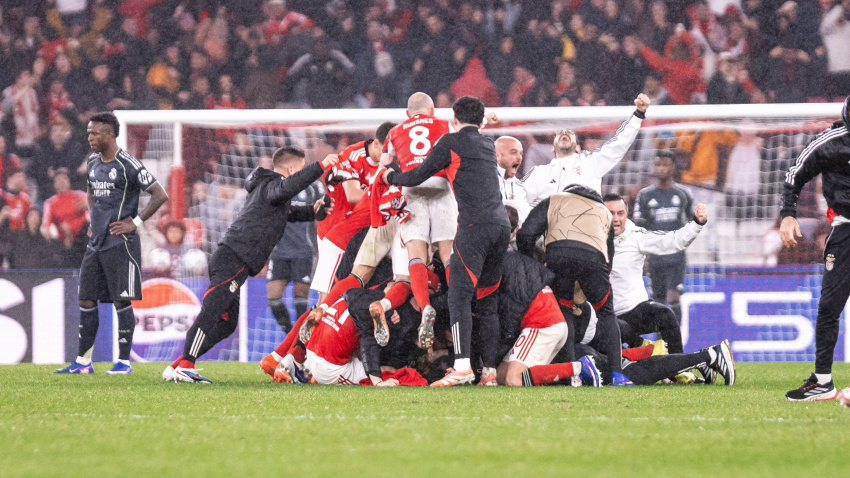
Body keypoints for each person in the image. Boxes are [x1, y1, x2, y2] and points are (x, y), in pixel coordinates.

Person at [165, 147, 338, 384]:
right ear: (290, 170)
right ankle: (185, 365)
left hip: (237, 259)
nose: (300, 175)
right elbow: (287, 189)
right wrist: (318, 166)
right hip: (234, 257)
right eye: (299, 168)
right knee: (212, 313)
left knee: (226, 324)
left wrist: (313, 210)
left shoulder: (269, 189)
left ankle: (178, 364)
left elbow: (288, 212)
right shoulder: (273, 184)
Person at [382, 96, 512, 387]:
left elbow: (417, 175)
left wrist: (392, 177)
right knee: (488, 301)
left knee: (458, 297)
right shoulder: (487, 145)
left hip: (474, 226)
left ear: (453, 120)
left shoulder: (450, 142)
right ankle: (489, 372)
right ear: (480, 121)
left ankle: (463, 366)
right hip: (501, 225)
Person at [55, 112, 169, 376]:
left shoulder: (128, 163)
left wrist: (136, 222)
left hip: (122, 242)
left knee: (122, 300)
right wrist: (92, 219)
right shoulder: (93, 161)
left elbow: (159, 194)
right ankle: (83, 362)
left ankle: (124, 362)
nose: (90, 138)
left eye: (94, 133)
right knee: (85, 298)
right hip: (97, 242)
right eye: (88, 133)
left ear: (109, 134)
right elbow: (91, 191)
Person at [517, 184, 630, 385]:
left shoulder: (555, 199)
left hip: (558, 255)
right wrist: (595, 285)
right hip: (594, 259)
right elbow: (609, 258)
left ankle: (570, 373)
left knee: (565, 310)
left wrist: (532, 267)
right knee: (606, 314)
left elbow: (525, 234)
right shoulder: (604, 211)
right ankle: (617, 375)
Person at [780, 96, 850, 401]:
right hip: (845, 229)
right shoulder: (831, 142)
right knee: (829, 306)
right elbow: (795, 173)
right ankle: (823, 381)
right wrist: (787, 214)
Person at [379, 92, 456, 349]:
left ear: (407, 113)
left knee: (416, 255)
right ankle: (457, 302)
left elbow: (383, 169)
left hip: (410, 188)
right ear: (432, 110)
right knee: (447, 253)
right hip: (442, 185)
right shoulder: (445, 124)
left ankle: (425, 308)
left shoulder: (395, 132)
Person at [604, 194, 706, 357]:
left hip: (633, 310)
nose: (616, 219)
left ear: (627, 213)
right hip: (604, 317)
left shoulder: (636, 236)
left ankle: (678, 368)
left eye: (620, 213)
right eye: (610, 213)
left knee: (666, 315)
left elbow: (673, 241)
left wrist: (697, 224)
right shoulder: (591, 239)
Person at [522, 93, 650, 205]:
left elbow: (620, 144)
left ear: (578, 147)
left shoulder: (592, 163)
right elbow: (518, 199)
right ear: (552, 148)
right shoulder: (538, 174)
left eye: (569, 133)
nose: (564, 133)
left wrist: (638, 114)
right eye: (560, 133)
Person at [633, 152, 694, 325]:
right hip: (655, 256)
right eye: (658, 164)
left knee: (674, 296)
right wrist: (642, 253)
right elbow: (639, 227)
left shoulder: (683, 194)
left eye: (665, 165)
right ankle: (662, 342)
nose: (661, 168)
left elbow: (692, 223)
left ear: (673, 168)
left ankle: (676, 340)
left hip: (676, 255)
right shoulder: (645, 195)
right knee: (658, 300)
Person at [267, 180, 323, 332]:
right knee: (274, 298)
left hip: (304, 250)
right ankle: (291, 335)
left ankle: (300, 342)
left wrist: (321, 245)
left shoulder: (314, 187)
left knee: (300, 299)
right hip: (279, 251)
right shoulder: (275, 186)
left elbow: (322, 216)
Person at [495, 136, 530, 225]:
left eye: (521, 153)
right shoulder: (482, 183)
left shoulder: (519, 187)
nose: (519, 158)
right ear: (497, 156)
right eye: (513, 152)